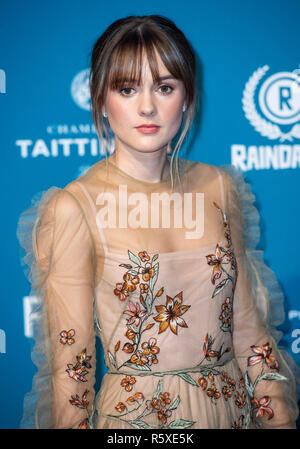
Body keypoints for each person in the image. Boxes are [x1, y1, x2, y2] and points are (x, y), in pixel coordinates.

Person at [16, 14, 300, 429]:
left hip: (230, 414)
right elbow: (71, 368)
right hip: (135, 425)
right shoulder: (75, 207)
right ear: (100, 99)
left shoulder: (219, 187)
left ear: (186, 96)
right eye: (127, 89)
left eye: (164, 87)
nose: (147, 106)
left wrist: (281, 423)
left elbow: (250, 334)